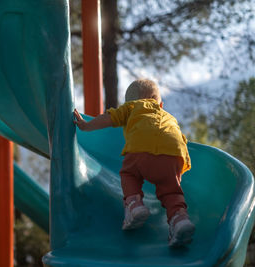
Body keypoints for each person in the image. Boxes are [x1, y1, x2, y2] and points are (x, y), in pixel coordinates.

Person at [73, 79, 195, 247]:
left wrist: (86, 126)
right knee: (171, 192)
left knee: (129, 174)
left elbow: (109, 118)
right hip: (173, 155)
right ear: (160, 104)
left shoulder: (132, 107)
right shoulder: (170, 118)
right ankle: (180, 219)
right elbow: (181, 141)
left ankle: (134, 205)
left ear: (130, 102)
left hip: (141, 150)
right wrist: (179, 170)